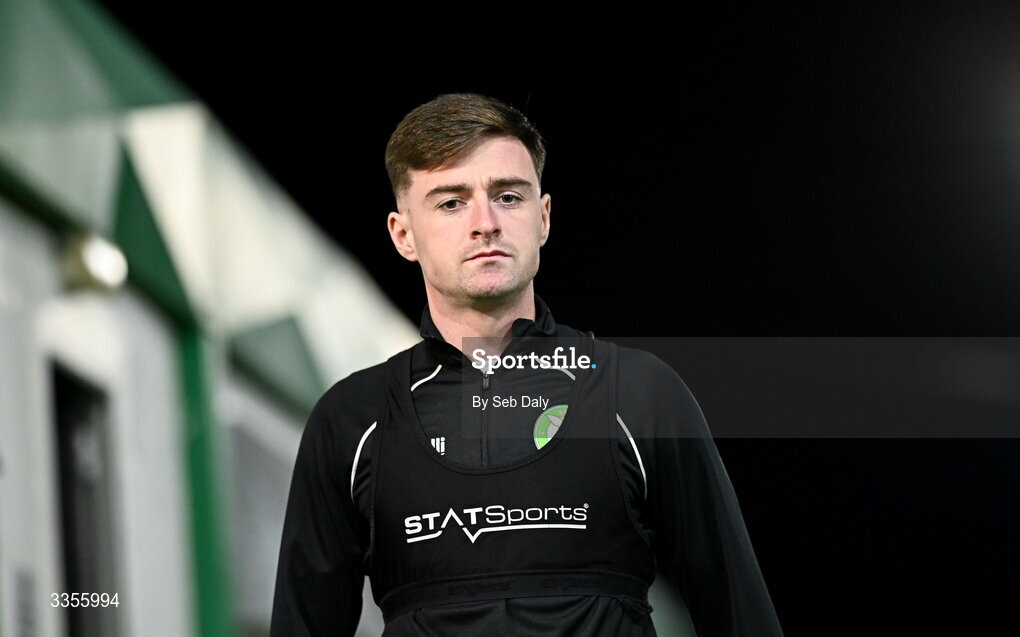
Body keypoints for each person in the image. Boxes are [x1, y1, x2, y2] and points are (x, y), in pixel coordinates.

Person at [270, 93, 783, 636]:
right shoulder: (353, 420)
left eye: (508, 197)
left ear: (543, 218)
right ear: (404, 235)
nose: (485, 223)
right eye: (451, 203)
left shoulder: (638, 394)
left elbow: (741, 616)